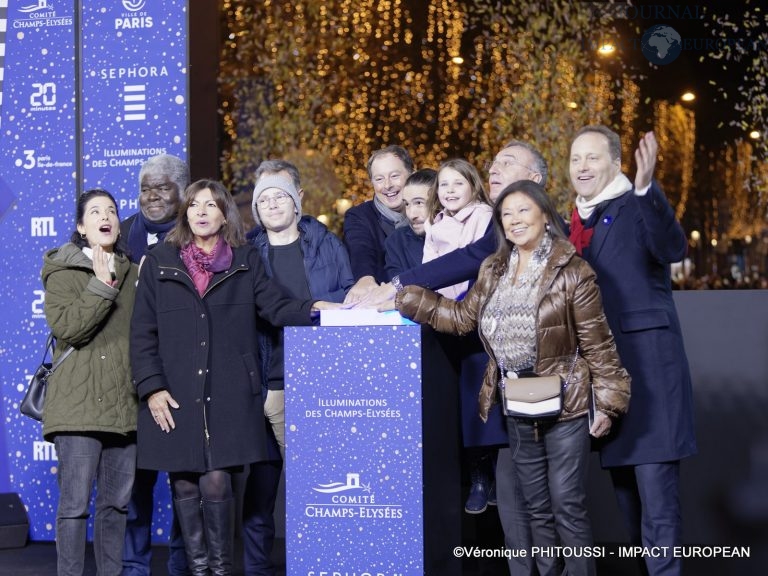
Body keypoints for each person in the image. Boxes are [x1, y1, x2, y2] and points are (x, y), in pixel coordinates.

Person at [396, 180, 631, 575]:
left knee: (567, 505)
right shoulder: (494, 268)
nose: (515, 220)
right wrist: (405, 295)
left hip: (567, 403)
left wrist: (608, 402)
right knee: (534, 506)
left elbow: (599, 343)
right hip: (517, 398)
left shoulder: (573, 271)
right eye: (506, 214)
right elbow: (460, 319)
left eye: (523, 210)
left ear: (544, 214)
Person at [359, 139, 549, 575]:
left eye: (508, 162)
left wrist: (401, 288)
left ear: (535, 182)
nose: (496, 167)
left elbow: (471, 262)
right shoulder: (499, 230)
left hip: (539, 375)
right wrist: (402, 294)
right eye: (494, 161)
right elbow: (465, 312)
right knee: (515, 485)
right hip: (505, 375)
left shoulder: (536, 231)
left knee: (550, 492)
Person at [130, 179, 337, 575]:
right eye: (194, 205)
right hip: (174, 392)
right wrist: (152, 387)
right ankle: (200, 568)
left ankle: (222, 569)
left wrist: (317, 308)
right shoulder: (159, 260)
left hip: (228, 392)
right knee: (185, 483)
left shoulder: (245, 258)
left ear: (224, 213)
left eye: (211, 205)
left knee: (217, 480)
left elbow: (275, 306)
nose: (202, 212)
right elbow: (142, 333)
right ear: (185, 213)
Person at [568, 126, 697, 576]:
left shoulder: (635, 203)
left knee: (657, 501)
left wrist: (647, 188)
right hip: (605, 379)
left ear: (617, 163)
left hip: (650, 376)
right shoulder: (574, 223)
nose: (582, 167)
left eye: (592, 158)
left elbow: (671, 246)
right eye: (575, 159)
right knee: (627, 502)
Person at [244, 160, 354, 575]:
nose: (272, 204)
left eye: (279, 196)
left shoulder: (327, 245)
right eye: (264, 199)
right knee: (259, 489)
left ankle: (317, 564)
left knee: (315, 488)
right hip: (263, 381)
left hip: (315, 383)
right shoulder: (248, 252)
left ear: (296, 202)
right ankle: (257, 569)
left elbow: (347, 299)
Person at [41, 189, 139, 576]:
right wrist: (101, 283)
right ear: (82, 226)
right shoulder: (62, 270)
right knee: (74, 506)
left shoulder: (133, 270)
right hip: (77, 408)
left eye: (112, 211)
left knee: (116, 505)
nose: (106, 217)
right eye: (96, 212)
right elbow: (69, 328)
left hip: (123, 406)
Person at [120, 153, 190, 576]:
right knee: (133, 478)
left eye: (163, 187)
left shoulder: (195, 234)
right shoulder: (121, 231)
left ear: (182, 193)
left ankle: (182, 563)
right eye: (146, 188)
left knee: (184, 477)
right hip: (128, 374)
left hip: (181, 372)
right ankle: (133, 566)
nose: (152, 196)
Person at [343, 145, 414, 297]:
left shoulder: (431, 213)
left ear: (411, 174)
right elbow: (360, 249)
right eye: (379, 179)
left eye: (394, 176)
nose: (387, 185)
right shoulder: (359, 216)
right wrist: (365, 279)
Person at [422, 158, 492, 300]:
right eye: (444, 184)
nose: (450, 190)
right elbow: (428, 266)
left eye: (458, 184)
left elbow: (478, 263)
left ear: (473, 186)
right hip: (439, 301)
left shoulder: (482, 214)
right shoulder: (433, 224)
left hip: (472, 300)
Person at [384, 168, 436, 279]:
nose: (412, 215)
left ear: (438, 202)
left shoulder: (461, 235)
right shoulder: (396, 241)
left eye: (419, 203)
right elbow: (396, 289)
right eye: (407, 204)